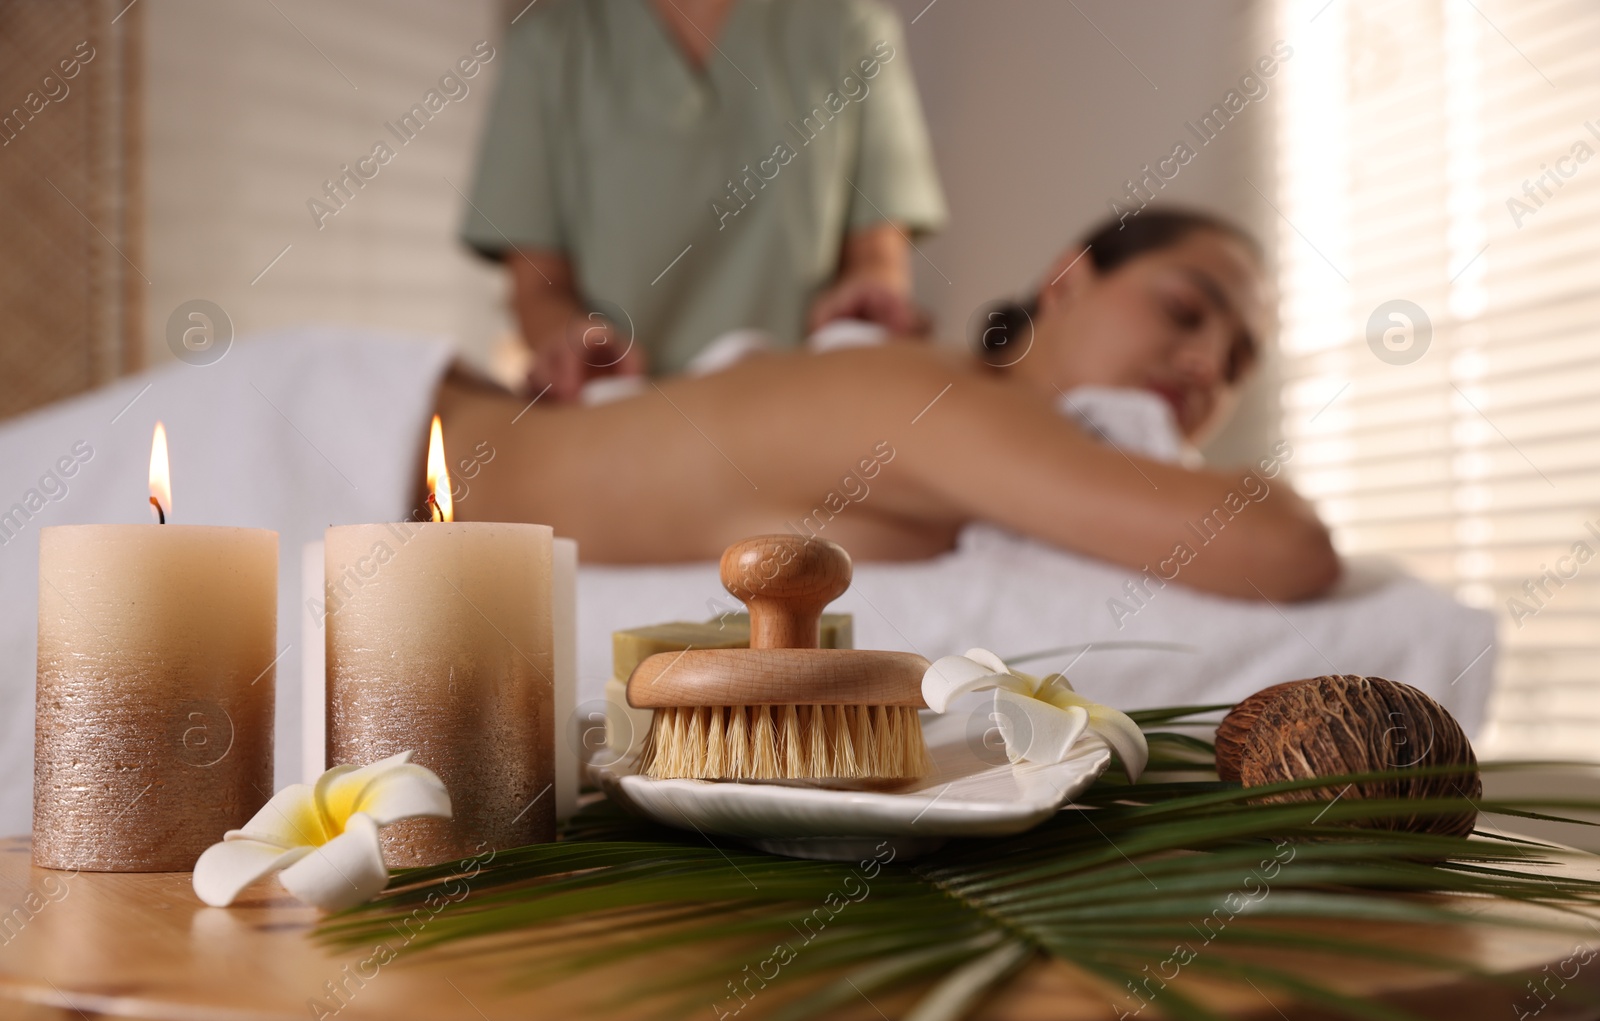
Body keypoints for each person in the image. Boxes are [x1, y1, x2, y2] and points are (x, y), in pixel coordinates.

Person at [435, 209, 1340, 601]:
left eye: (1239, 363)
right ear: (1067, 279)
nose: (1205, 364)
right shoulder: (957, 403)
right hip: (390, 436)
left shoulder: (965, 421)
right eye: (1185, 310)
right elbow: (1283, 548)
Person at [461, 0, 947, 401]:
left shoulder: (853, 31)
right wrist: (575, 344)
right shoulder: (550, 48)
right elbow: (537, 291)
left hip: (806, 421)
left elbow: (879, 259)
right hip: (617, 424)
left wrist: (867, 303)